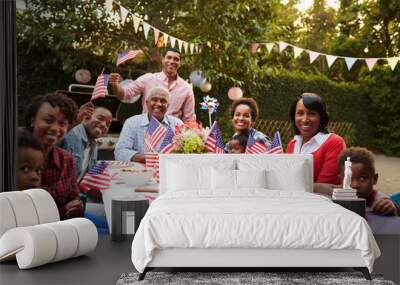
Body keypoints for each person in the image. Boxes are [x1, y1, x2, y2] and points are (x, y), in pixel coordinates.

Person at [25, 92, 83, 220]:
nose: (55, 128)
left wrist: (76, 206)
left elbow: (74, 197)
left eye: (62, 124)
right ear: (32, 120)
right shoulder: (14, 156)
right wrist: (62, 211)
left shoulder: (67, 160)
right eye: (48, 120)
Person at [109, 48, 195, 121]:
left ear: (180, 63)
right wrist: (115, 85)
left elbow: (189, 119)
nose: (172, 61)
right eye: (169, 57)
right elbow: (124, 95)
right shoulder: (147, 79)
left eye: (176, 59)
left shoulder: (186, 88)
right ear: (162, 60)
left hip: (172, 135)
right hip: (147, 131)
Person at [287, 93, 346, 185]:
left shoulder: (335, 143)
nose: (305, 119)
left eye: (312, 114)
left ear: (321, 118)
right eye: (300, 113)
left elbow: (325, 185)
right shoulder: (292, 144)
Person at [114, 86, 183, 163]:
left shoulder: (177, 124)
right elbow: (120, 152)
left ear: (168, 106)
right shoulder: (131, 123)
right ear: (147, 103)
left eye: (163, 101)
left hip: (168, 170)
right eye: (154, 100)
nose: (159, 104)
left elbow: (184, 152)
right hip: (138, 172)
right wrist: (152, 159)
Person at [61, 106, 112, 202]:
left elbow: (89, 176)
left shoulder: (94, 144)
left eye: (108, 125)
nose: (104, 125)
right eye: (100, 119)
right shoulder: (71, 134)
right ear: (86, 118)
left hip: (77, 195)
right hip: (62, 198)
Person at [338, 147, 399, 216]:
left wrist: (392, 209)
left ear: (374, 179)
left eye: (362, 178)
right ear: (340, 180)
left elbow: (395, 218)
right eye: (348, 179)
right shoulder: (335, 197)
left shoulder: (381, 202)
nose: (355, 185)